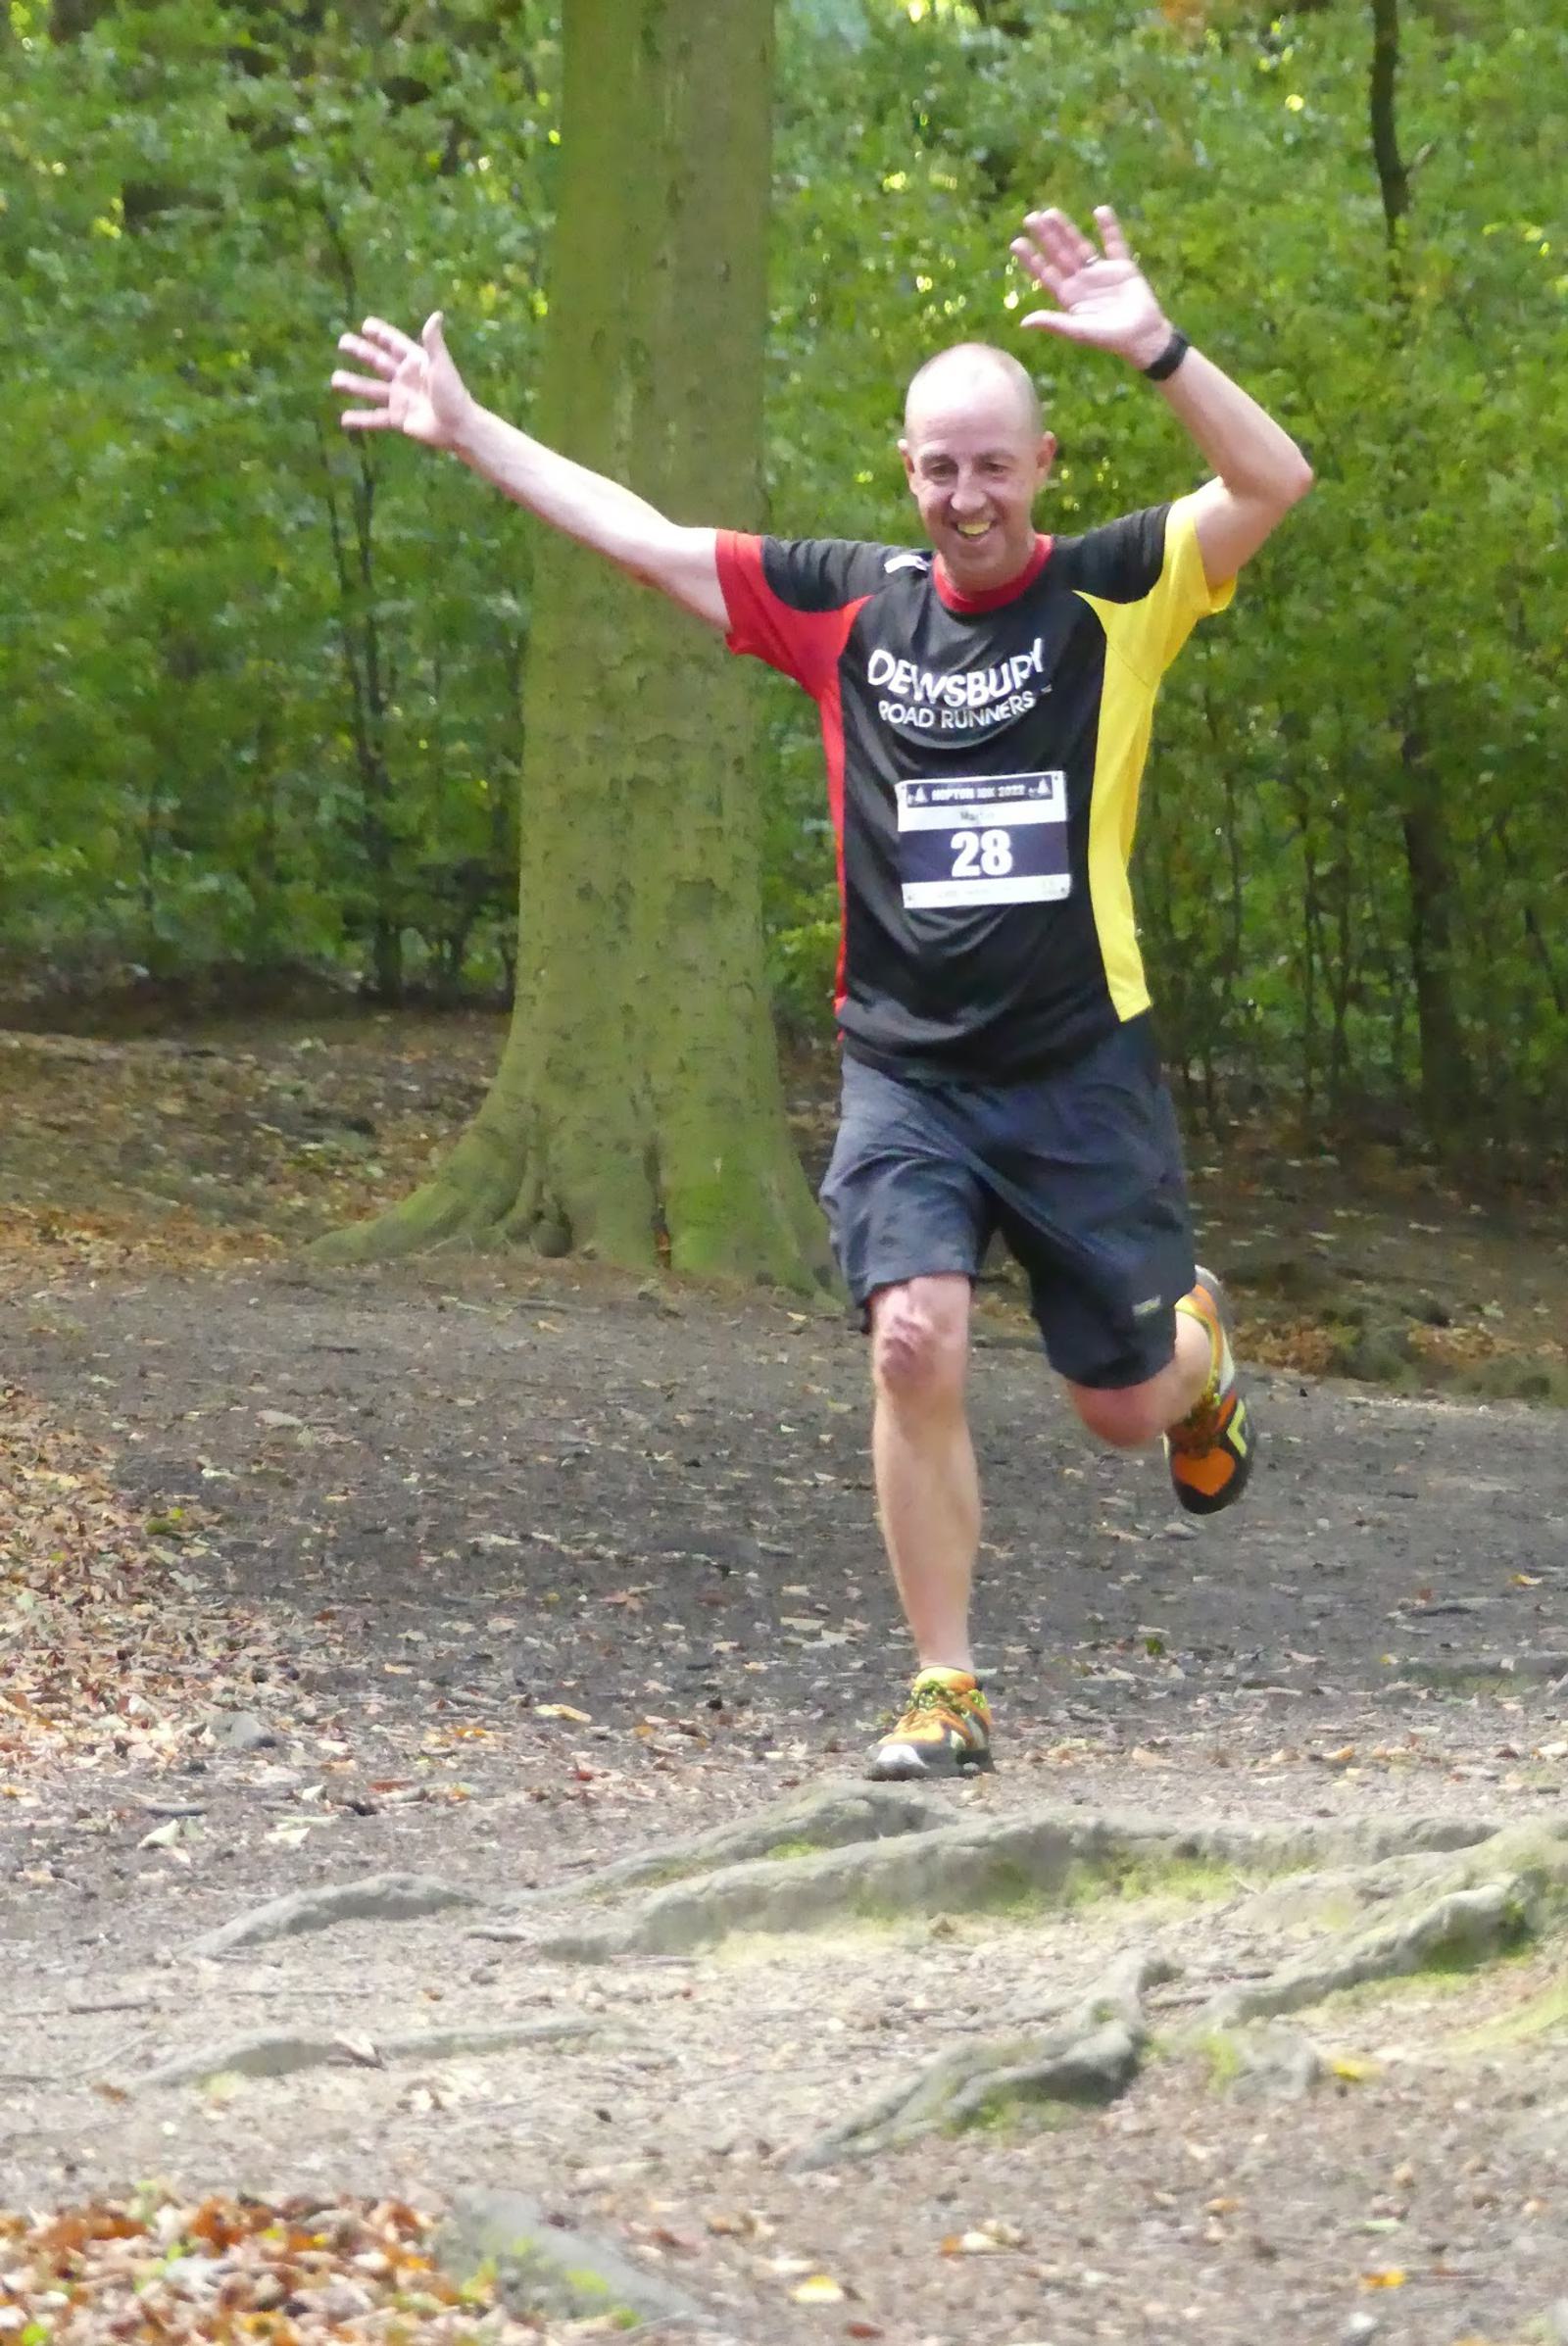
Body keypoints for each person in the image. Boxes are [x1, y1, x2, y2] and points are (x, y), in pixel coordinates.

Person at [332, 202, 1312, 1782]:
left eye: (994, 463)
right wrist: (468, 428)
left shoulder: (1122, 589)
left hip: (1078, 1066)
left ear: (1045, 464)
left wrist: (1159, 345)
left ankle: (1201, 1364)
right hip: (910, 1069)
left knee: (1123, 1410)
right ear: (907, 470)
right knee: (911, 1338)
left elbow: (1275, 481)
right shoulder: (849, 607)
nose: (966, 493)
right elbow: (643, 533)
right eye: (939, 465)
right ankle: (946, 1685)